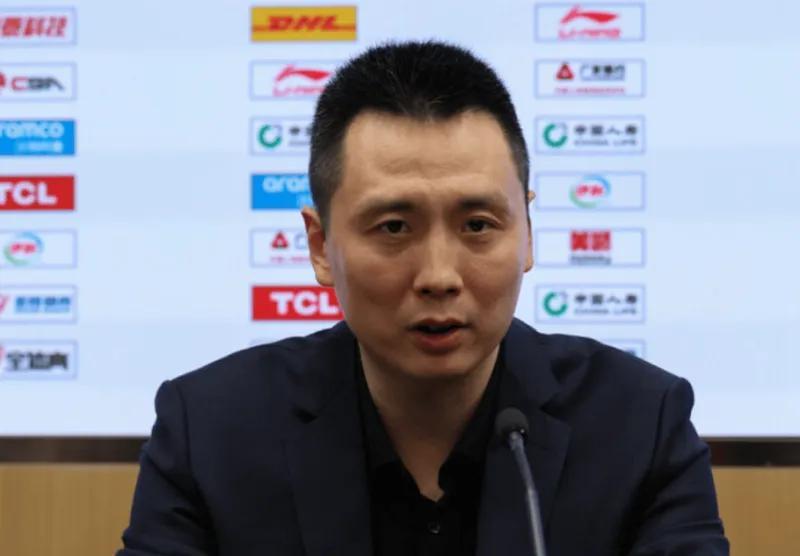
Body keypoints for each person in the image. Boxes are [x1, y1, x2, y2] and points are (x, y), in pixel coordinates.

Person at [119, 41, 729, 555]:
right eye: (394, 227)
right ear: (321, 246)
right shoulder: (210, 431)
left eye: (478, 225)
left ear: (527, 234)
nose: (439, 275)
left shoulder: (642, 425)